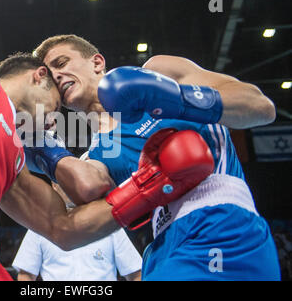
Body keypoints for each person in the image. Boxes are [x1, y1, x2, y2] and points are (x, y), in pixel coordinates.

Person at [0, 44, 211, 280]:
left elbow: (64, 228)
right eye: (56, 108)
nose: (52, 123)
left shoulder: (15, 164)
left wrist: (150, 187)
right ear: (39, 75)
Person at [30, 34, 281, 280]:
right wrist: (40, 144)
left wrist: (177, 98)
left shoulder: (160, 71)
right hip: (161, 249)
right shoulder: (96, 156)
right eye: (50, 76)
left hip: (223, 226)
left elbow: (261, 108)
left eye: (61, 64)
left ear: (97, 62)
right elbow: (69, 220)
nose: (57, 75)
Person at [12, 174, 142, 281]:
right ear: (54, 186)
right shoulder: (39, 227)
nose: (70, 189)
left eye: (74, 183)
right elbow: (26, 275)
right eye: (65, 183)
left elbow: (135, 274)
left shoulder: (109, 224)